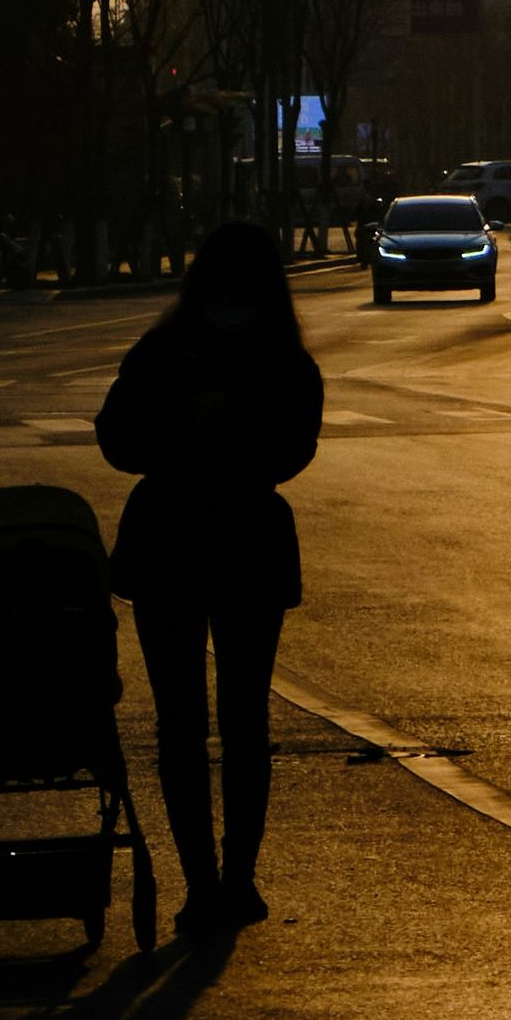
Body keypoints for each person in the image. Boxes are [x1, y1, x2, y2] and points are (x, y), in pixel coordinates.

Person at [96, 222, 325, 931]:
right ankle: (224, 879)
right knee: (229, 722)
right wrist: (192, 427)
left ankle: (214, 881)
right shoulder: (279, 358)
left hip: (182, 536)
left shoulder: (171, 350)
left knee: (193, 725)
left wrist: (213, 428)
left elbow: (120, 440)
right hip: (234, 540)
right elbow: (123, 438)